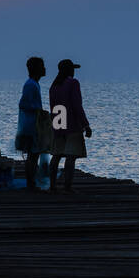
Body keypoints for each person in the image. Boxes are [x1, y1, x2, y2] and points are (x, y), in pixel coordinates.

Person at [48, 59, 92, 193]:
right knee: (70, 156)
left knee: (56, 154)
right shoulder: (73, 83)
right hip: (71, 123)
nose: (74, 71)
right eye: (72, 69)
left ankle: (52, 186)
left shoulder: (54, 85)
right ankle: (67, 187)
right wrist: (85, 125)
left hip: (58, 122)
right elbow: (77, 105)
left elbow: (53, 107)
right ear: (69, 70)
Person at [14, 57, 48, 190]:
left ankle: (31, 182)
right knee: (33, 155)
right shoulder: (31, 85)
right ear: (36, 69)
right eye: (42, 66)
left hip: (32, 124)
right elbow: (23, 104)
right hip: (30, 126)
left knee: (33, 155)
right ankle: (31, 183)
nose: (45, 69)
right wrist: (38, 110)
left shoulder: (34, 84)